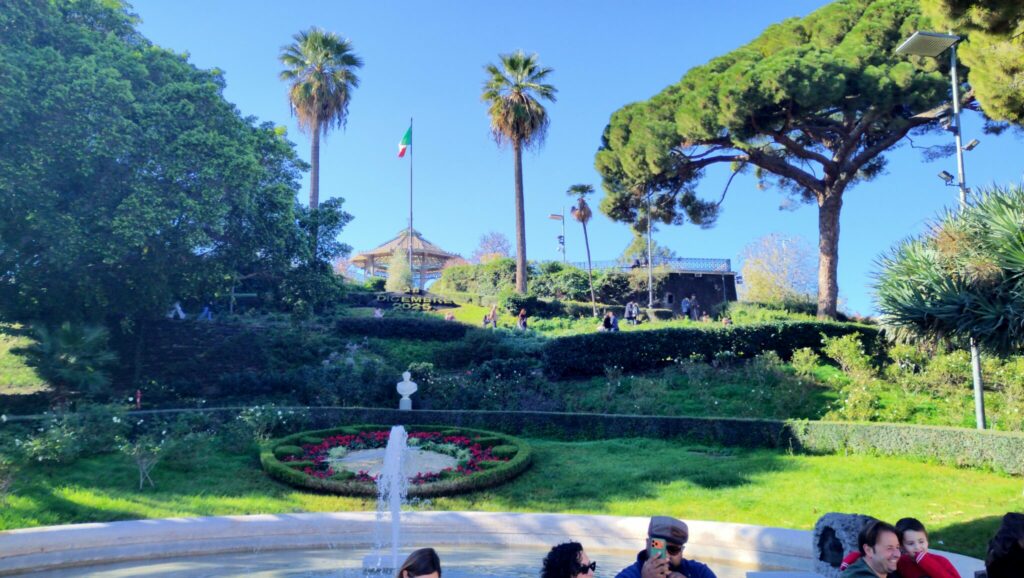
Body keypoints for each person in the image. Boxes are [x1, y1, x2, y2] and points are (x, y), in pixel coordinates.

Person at [841, 518, 960, 578]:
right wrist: (851, 558)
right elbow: (868, 553)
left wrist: (925, 562)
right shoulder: (900, 562)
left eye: (921, 541)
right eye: (910, 543)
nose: (918, 548)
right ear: (902, 547)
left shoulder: (940, 561)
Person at [614, 515, 716, 578]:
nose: (666, 556)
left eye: (673, 549)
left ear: (682, 551)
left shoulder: (700, 572)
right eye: (658, 546)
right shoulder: (627, 576)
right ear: (647, 544)